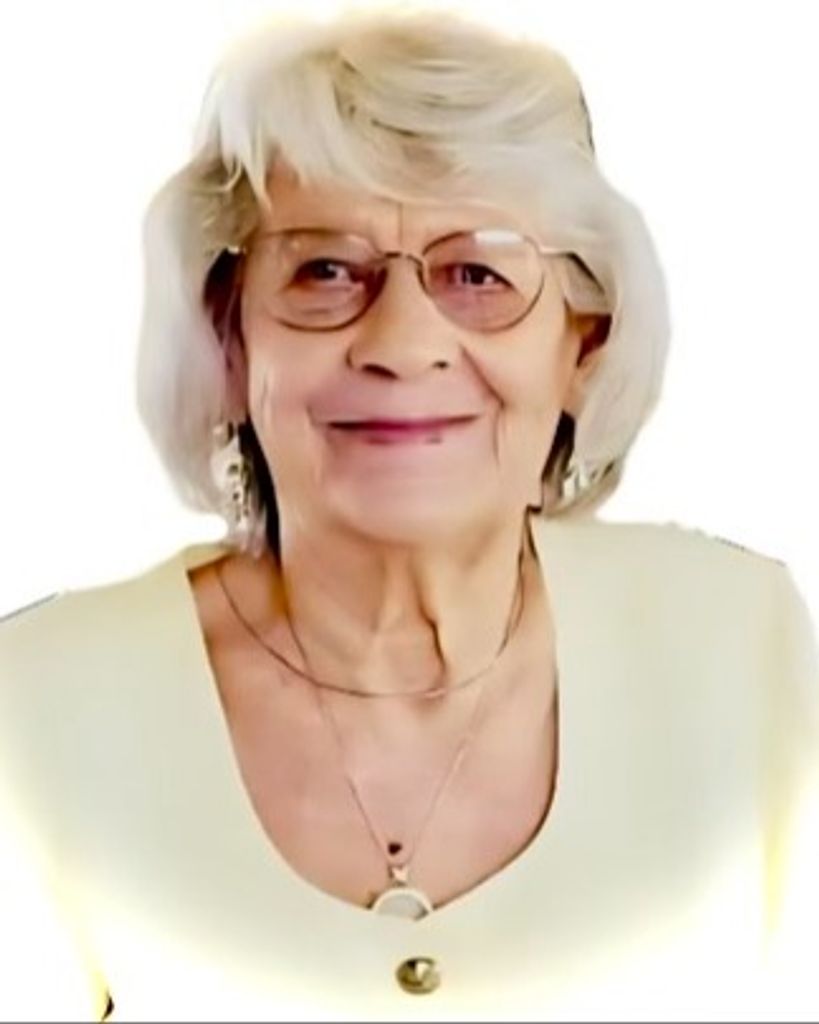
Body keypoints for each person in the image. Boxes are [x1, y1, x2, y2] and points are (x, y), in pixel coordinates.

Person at [1, 7, 817, 1021]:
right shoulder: (35, 707)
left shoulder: (739, 643)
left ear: (583, 344)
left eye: (478, 273)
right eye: (323, 271)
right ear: (229, 339)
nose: (401, 343)